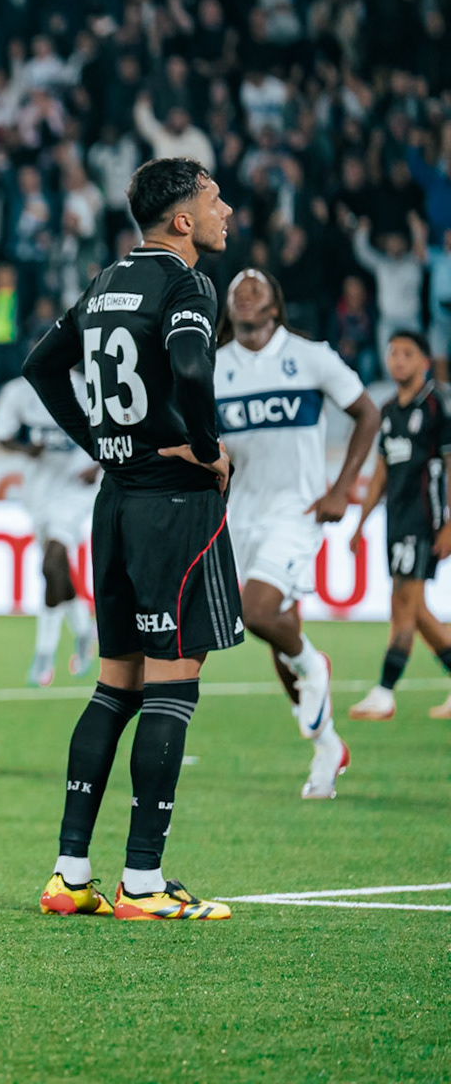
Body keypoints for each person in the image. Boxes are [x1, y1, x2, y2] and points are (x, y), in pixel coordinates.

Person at [24, 156, 241, 922]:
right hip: (170, 509)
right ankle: (144, 882)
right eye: (215, 201)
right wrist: (207, 449)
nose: (226, 212)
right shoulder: (188, 284)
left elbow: (39, 364)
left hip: (114, 506)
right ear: (181, 220)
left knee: (116, 683)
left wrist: (102, 442)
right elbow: (188, 361)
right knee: (173, 681)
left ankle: (69, 874)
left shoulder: (105, 281)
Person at [215, 270, 380, 796]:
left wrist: (341, 487)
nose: (245, 289)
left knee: (256, 612)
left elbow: (367, 413)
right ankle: (327, 746)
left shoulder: (310, 356)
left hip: (297, 512)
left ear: (275, 305)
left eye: (256, 286)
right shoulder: (213, 368)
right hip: (239, 514)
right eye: (238, 288)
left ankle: (314, 662)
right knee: (275, 629)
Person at [345, 331, 451, 721]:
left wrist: (450, 523)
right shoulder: (388, 411)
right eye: (392, 353)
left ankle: (384, 693)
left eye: (407, 353)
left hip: (426, 518)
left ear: (425, 362)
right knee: (415, 608)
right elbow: (381, 473)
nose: (397, 360)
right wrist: (361, 523)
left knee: (403, 604)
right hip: (396, 519)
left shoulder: (438, 406)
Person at [0, 374, 99, 687]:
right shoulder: (18, 392)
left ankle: (43, 654)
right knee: (58, 571)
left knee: (51, 563)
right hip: (39, 491)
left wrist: (99, 465)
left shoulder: (86, 387)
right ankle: (82, 631)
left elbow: (116, 427)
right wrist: (25, 449)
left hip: (76, 487)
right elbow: (1, 435)